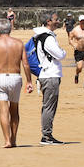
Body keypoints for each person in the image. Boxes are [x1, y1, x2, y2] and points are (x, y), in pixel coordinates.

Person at [0, 18, 34, 148]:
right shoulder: (18, 43)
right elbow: (25, 64)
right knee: (14, 110)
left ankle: (7, 140)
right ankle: (13, 140)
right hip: (15, 77)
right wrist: (29, 81)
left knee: (3, 111)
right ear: (10, 29)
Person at [34, 11, 66, 145]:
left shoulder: (43, 36)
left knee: (48, 106)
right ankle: (46, 136)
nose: (58, 21)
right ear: (48, 22)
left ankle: (47, 134)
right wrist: (64, 51)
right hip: (50, 75)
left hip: (47, 74)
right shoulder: (47, 38)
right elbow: (60, 55)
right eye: (55, 19)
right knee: (49, 106)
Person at [68, 15, 84, 87]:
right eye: (81, 21)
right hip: (78, 51)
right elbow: (70, 39)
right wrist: (74, 45)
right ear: (79, 21)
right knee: (79, 67)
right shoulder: (75, 30)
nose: (82, 22)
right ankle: (77, 74)